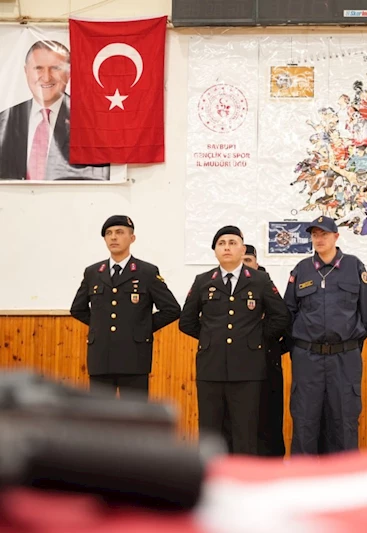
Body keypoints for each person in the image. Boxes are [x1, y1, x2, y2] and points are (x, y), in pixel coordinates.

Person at [179, 226, 290, 455]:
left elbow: (281, 317)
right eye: (221, 243)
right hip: (211, 368)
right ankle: (211, 481)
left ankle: (243, 483)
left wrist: (255, 338)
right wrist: (211, 339)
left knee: (245, 432)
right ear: (215, 251)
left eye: (232, 242)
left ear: (242, 249)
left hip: (248, 369)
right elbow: (186, 322)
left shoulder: (260, 280)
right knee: (210, 432)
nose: (227, 247)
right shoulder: (202, 281)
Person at [284, 215, 367, 455]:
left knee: (344, 421)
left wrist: (350, 344)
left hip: (344, 359)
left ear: (336, 236)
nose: (319, 239)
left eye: (324, 234)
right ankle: (302, 483)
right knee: (305, 420)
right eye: (315, 235)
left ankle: (344, 484)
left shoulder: (354, 266)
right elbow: (289, 312)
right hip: (308, 358)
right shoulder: (302, 269)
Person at [69, 215, 180, 398]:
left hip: (134, 356)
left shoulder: (146, 272)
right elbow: (77, 309)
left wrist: (142, 328)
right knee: (100, 417)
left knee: (135, 417)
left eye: (120, 232)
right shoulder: (93, 272)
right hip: (101, 356)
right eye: (109, 233)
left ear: (132, 238)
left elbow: (172, 309)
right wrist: (99, 326)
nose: (113, 237)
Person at [0, 40, 109, 181]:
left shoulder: (95, 123)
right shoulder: (4, 121)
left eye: (55, 68)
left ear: (69, 72)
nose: (46, 77)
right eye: (38, 68)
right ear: (26, 71)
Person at [218, 243, 287, 457]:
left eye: (248, 261)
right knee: (233, 421)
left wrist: (260, 340)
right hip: (233, 365)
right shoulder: (224, 286)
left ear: (256, 263)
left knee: (268, 419)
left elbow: (284, 320)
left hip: (266, 363)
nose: (244, 265)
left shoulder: (266, 285)